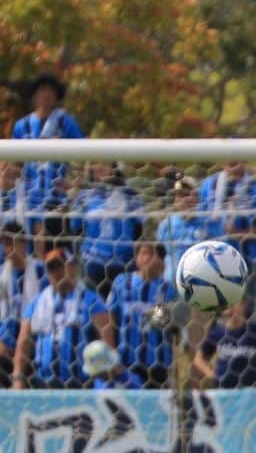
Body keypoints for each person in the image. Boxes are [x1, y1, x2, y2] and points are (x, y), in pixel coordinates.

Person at [12, 247, 110, 389]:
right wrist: (18, 377)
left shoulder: (92, 301)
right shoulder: (37, 302)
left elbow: (107, 342)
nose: (56, 273)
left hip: (81, 384)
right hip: (44, 383)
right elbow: (23, 342)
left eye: (60, 267)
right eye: (52, 269)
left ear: (73, 267)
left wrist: (104, 380)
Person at [106, 240, 176, 389]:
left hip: (157, 361)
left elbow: (165, 325)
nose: (146, 258)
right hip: (126, 360)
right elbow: (110, 319)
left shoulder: (166, 288)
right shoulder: (122, 282)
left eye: (151, 254)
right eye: (143, 253)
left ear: (161, 260)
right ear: (136, 258)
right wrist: (111, 355)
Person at [70, 162, 144, 297]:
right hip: (94, 265)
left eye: (103, 162)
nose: (99, 166)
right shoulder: (84, 196)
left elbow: (139, 230)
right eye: (95, 162)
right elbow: (76, 228)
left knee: (121, 306)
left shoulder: (130, 195)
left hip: (123, 264)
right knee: (97, 308)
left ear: (113, 166)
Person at [198, 160, 256, 295]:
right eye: (229, 158)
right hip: (211, 260)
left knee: (243, 309)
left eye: (236, 158)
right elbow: (199, 219)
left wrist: (240, 233)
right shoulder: (209, 184)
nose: (232, 163)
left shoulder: (255, 187)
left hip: (245, 259)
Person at [12, 73, 84, 198]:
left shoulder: (66, 122)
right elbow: (15, 164)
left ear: (57, 95)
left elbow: (83, 155)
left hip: (58, 198)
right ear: (35, 94)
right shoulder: (21, 126)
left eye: (51, 90)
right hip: (28, 199)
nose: (47, 95)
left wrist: (74, 183)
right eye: (43, 90)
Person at [194, 299, 256, 389]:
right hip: (223, 390)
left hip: (249, 391)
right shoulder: (217, 332)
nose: (230, 309)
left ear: (243, 305)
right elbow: (198, 359)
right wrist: (212, 375)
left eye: (234, 304)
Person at [0, 228, 46, 387]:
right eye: (4, 244)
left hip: (35, 330)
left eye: (10, 243)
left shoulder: (41, 270)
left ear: (23, 244)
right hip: (8, 331)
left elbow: (46, 306)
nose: (6, 249)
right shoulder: (2, 274)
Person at [156, 175, 223, 284]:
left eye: (187, 195)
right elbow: (160, 255)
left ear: (198, 198)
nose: (184, 200)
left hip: (203, 287)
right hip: (172, 287)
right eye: (179, 196)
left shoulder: (210, 223)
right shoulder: (166, 224)